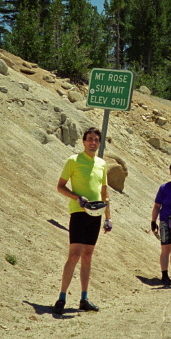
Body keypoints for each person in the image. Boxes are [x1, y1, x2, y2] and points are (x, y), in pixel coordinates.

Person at [54, 127, 112, 315]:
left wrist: (108, 218)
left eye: (96, 140)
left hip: (96, 214)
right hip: (79, 213)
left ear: (99, 142)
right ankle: (62, 298)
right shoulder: (73, 161)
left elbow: (104, 192)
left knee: (88, 256)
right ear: (84, 141)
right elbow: (60, 187)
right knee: (74, 255)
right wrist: (76, 197)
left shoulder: (102, 164)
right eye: (90, 139)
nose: (93, 143)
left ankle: (84, 299)